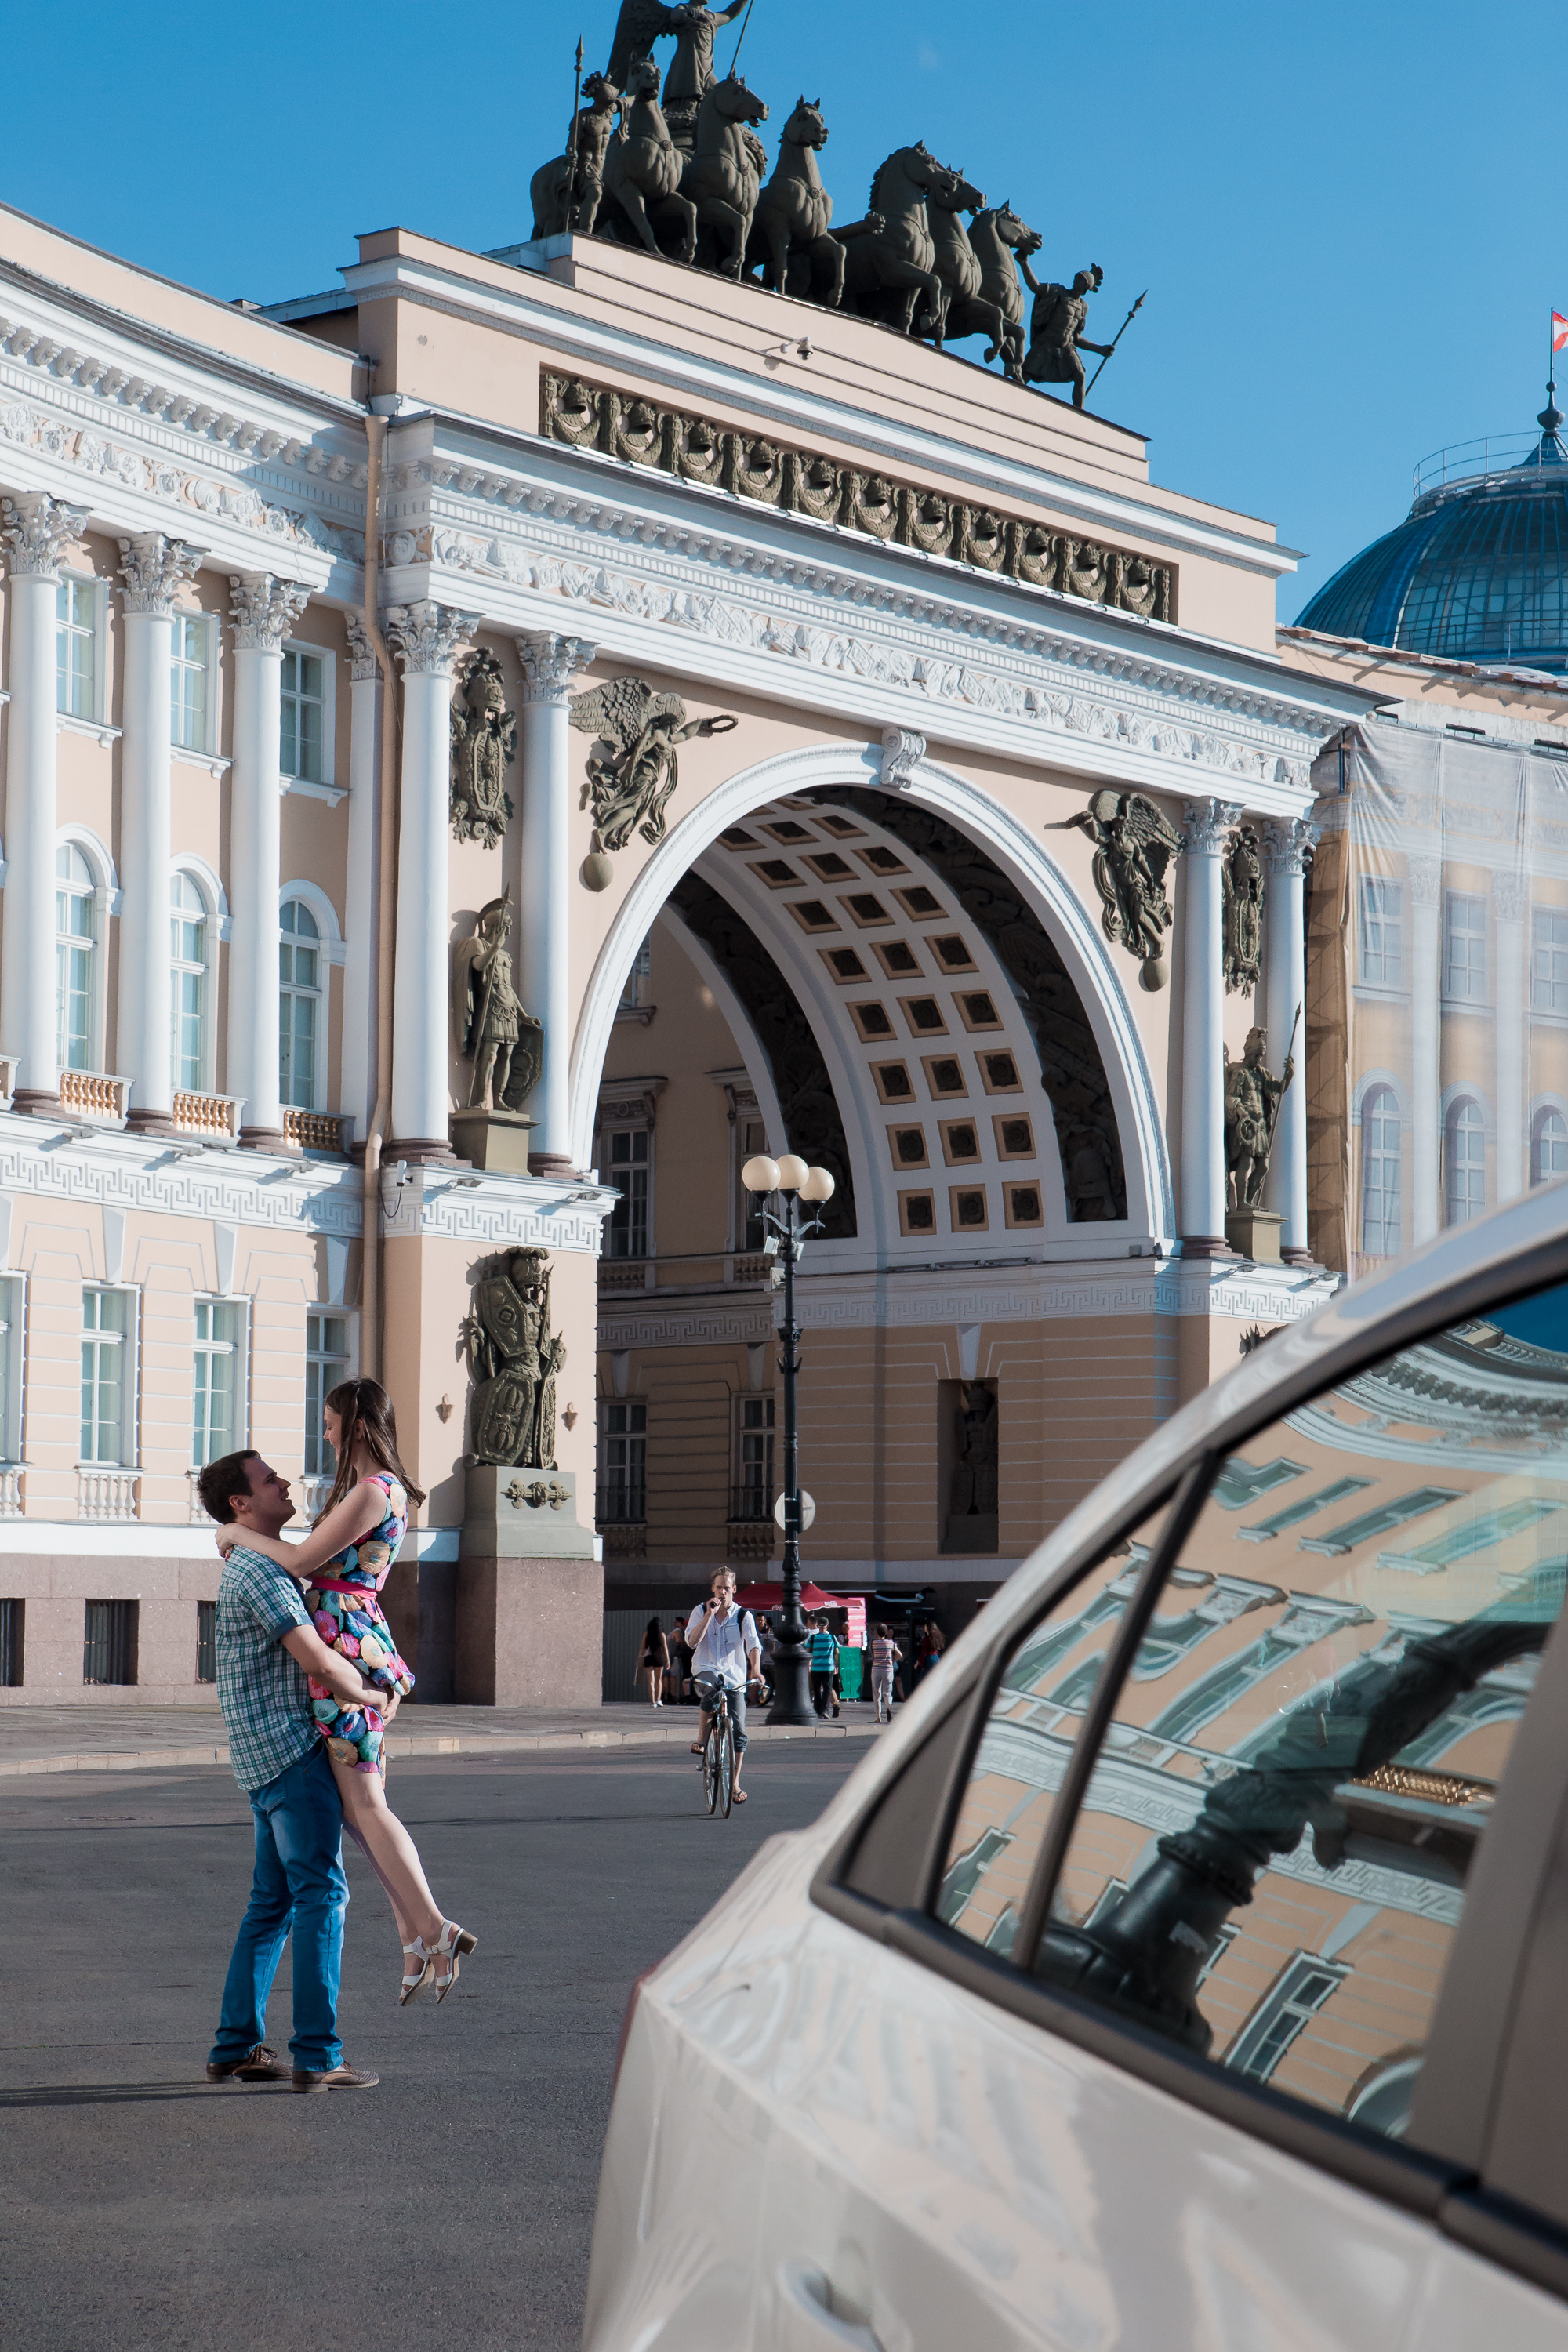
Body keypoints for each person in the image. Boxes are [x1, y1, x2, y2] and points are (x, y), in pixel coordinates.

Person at [214, 1378, 475, 2008]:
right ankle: (413, 1935)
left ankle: (436, 1927)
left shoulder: (370, 1490)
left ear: (356, 1425)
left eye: (330, 1423)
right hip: (355, 1637)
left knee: (365, 1804)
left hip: (345, 1641)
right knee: (361, 1807)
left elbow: (302, 1563)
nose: (324, 1433)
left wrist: (233, 1534)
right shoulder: (376, 1490)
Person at [199, 1448, 380, 2092]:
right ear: (241, 1504)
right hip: (292, 1754)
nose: (284, 1481)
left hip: (261, 1758)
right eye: (268, 1479)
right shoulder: (263, 1574)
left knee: (272, 1904)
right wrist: (373, 1694)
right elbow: (319, 1662)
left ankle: (235, 2046)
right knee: (322, 1897)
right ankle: (317, 2054)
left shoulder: (251, 1560)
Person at [685, 1569, 763, 1802]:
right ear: (713, 1589)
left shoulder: (743, 1616)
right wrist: (709, 1616)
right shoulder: (700, 1611)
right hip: (706, 1668)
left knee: (739, 1732)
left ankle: (736, 1782)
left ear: (734, 1590)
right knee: (710, 1685)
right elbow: (691, 1642)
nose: (722, 1592)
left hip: (734, 1677)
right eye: (718, 1588)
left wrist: (756, 1669)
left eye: (726, 1588)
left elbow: (753, 1645)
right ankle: (701, 1738)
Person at [808, 1613, 839, 1719]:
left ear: (818, 1626)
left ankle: (817, 1710)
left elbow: (807, 1650)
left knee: (816, 1690)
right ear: (827, 1626)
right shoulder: (832, 1638)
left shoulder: (813, 1638)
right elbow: (837, 1651)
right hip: (828, 1668)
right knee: (827, 1690)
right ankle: (825, 1710)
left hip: (815, 1667)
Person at [870, 1624, 902, 1724]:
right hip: (888, 1669)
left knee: (876, 1693)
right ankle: (888, 1708)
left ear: (877, 1633)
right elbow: (900, 1655)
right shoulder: (891, 1643)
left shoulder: (874, 1643)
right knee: (887, 1691)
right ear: (886, 1632)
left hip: (876, 1669)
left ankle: (878, 1717)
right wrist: (893, 1659)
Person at [636, 1613, 669, 1706]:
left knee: (651, 1681)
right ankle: (659, 1700)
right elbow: (665, 1648)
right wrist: (668, 1661)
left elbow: (642, 1648)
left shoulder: (647, 1633)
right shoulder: (662, 1635)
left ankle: (653, 1701)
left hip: (649, 1657)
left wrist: (639, 1659)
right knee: (659, 1680)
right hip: (659, 1657)